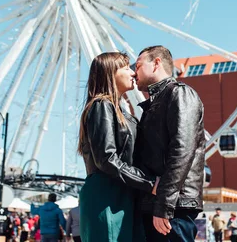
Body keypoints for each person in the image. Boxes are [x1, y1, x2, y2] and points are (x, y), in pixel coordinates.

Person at [78, 52, 158, 242]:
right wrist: (149, 182)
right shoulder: (101, 106)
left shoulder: (119, 110)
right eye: (125, 68)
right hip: (107, 195)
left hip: (123, 193)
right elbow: (106, 158)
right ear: (110, 73)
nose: (132, 73)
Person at [133, 45, 206, 242]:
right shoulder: (155, 102)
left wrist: (164, 205)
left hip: (174, 205)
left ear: (156, 63)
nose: (134, 72)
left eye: (138, 65)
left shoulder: (180, 94)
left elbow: (182, 150)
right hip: (160, 203)